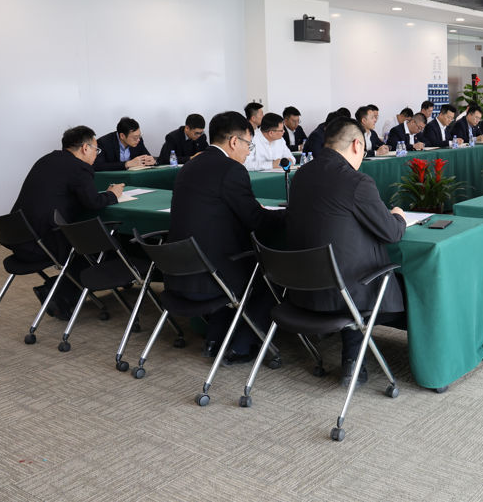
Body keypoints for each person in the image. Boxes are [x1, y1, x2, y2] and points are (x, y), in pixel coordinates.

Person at [286, 117, 407, 388]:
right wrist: (398, 215)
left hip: (302, 288)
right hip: (342, 293)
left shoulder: (301, 174)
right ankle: (352, 359)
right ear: (356, 145)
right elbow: (392, 233)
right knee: (391, 282)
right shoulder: (356, 181)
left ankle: (351, 355)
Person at [167, 111, 286, 362]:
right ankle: (241, 347)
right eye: (248, 145)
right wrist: (290, 214)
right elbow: (257, 220)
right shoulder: (231, 169)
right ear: (234, 141)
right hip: (210, 278)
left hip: (178, 273)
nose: (248, 152)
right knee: (272, 276)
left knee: (232, 268)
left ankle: (214, 341)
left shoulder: (190, 165)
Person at [12, 126, 123, 318]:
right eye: (96, 149)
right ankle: (58, 292)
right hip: (43, 242)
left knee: (88, 246)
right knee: (103, 247)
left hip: (19, 237)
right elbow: (94, 203)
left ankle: (56, 291)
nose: (96, 155)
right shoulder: (80, 167)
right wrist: (112, 194)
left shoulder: (46, 159)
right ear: (85, 148)